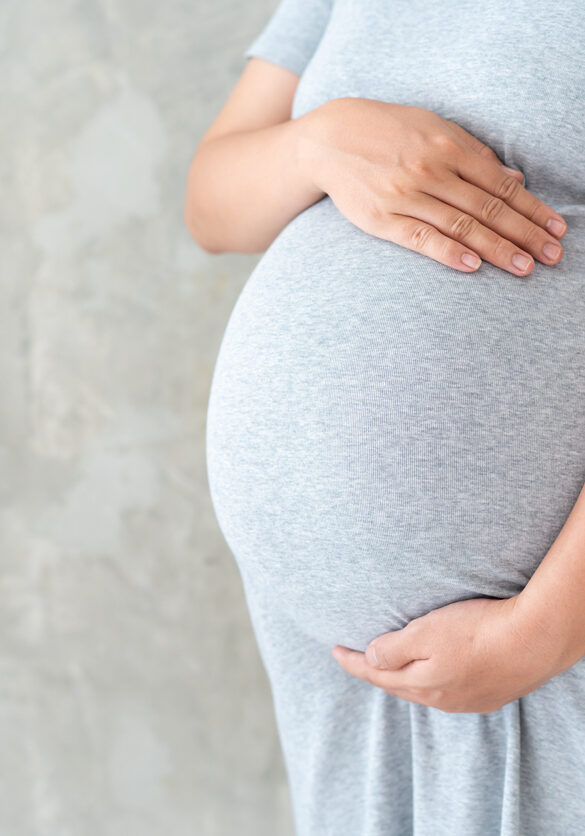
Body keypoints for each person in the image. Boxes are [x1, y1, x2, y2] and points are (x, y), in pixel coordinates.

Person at [185, 0, 585, 832]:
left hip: (549, 615)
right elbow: (212, 204)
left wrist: (541, 632)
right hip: (329, 655)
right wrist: (315, 141)